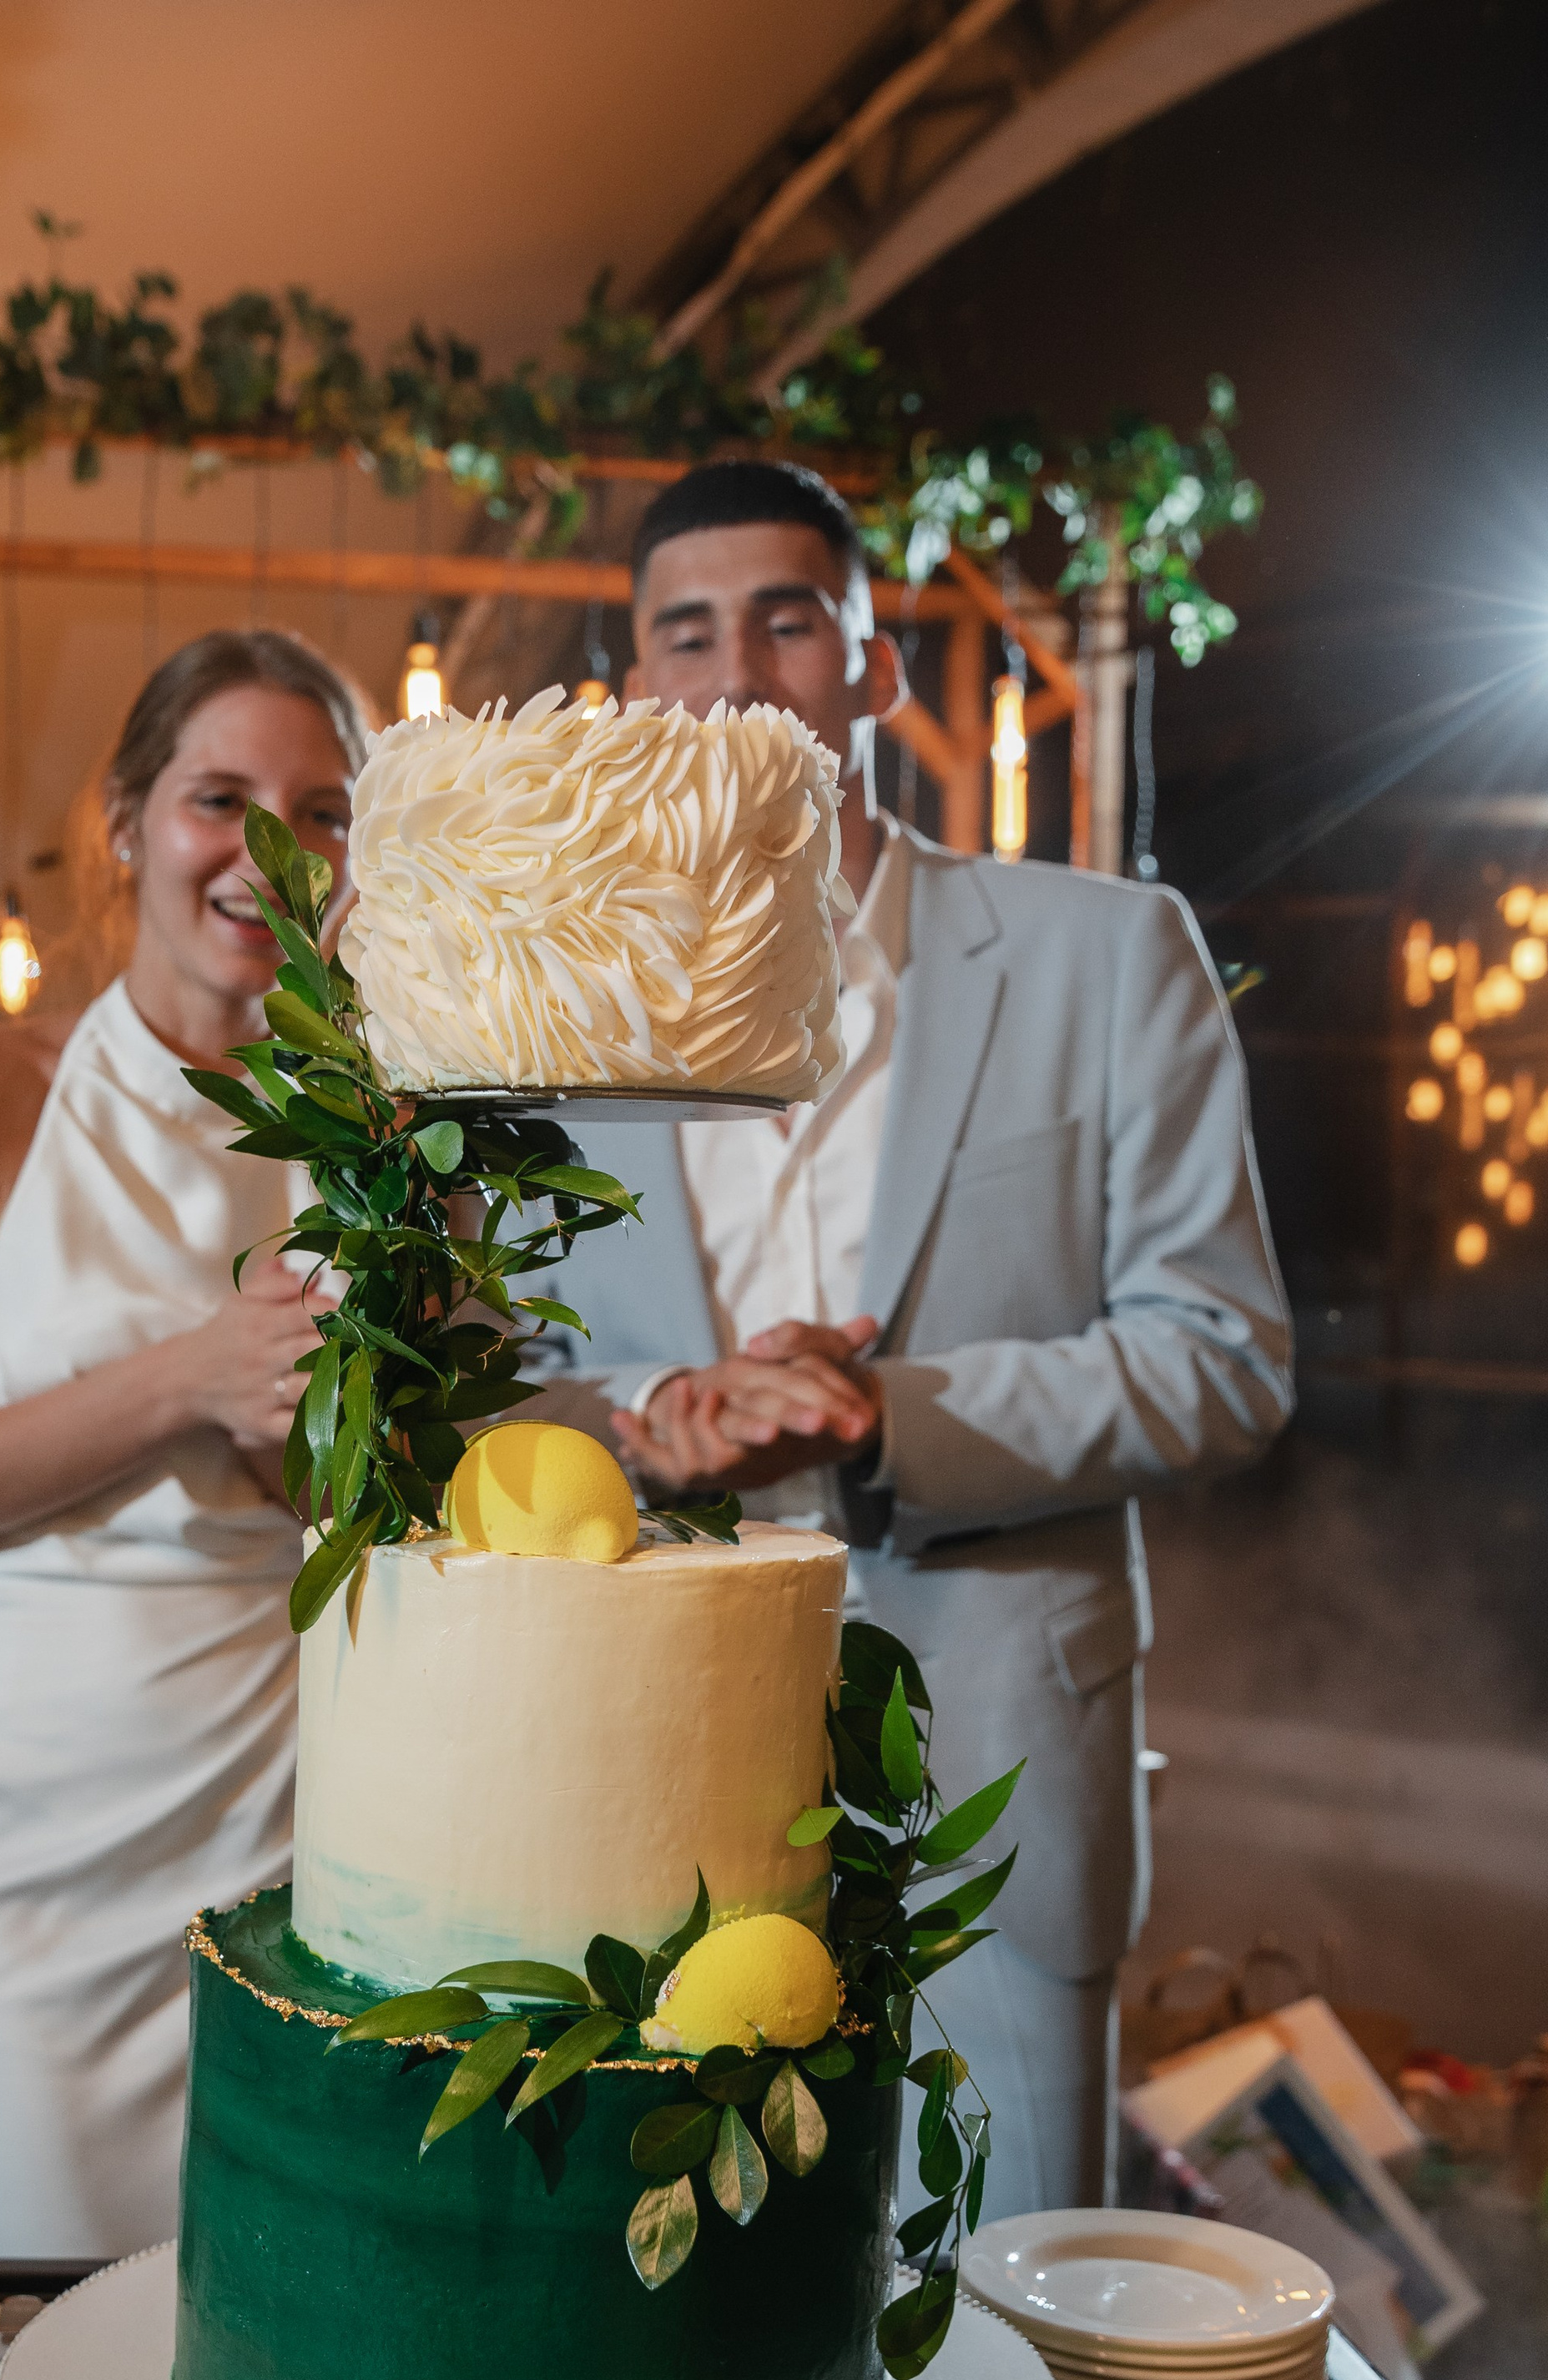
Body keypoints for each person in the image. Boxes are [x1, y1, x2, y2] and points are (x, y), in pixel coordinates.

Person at [537, 461, 1293, 2216]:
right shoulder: (559, 1009)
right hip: (651, 1758)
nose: (737, 673)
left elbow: (1219, 1349)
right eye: (686, 633)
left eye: (788, 620)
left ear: (876, 670)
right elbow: (489, 1365)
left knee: (1002, 2306)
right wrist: (656, 1412)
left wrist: (882, 1419)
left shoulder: (1107, 957)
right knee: (687, 2311)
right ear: (638, 688)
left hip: (994, 1763)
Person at [0, 629, 367, 2254]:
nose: (269, 849)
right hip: (34, 1847)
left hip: (301, 1819)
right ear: (130, 822)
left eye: (323, 809)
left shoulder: (384, 1141)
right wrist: (189, 1377)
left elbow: (383, 1501)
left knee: (260, 2343)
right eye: (222, 797)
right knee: (53, 2326)